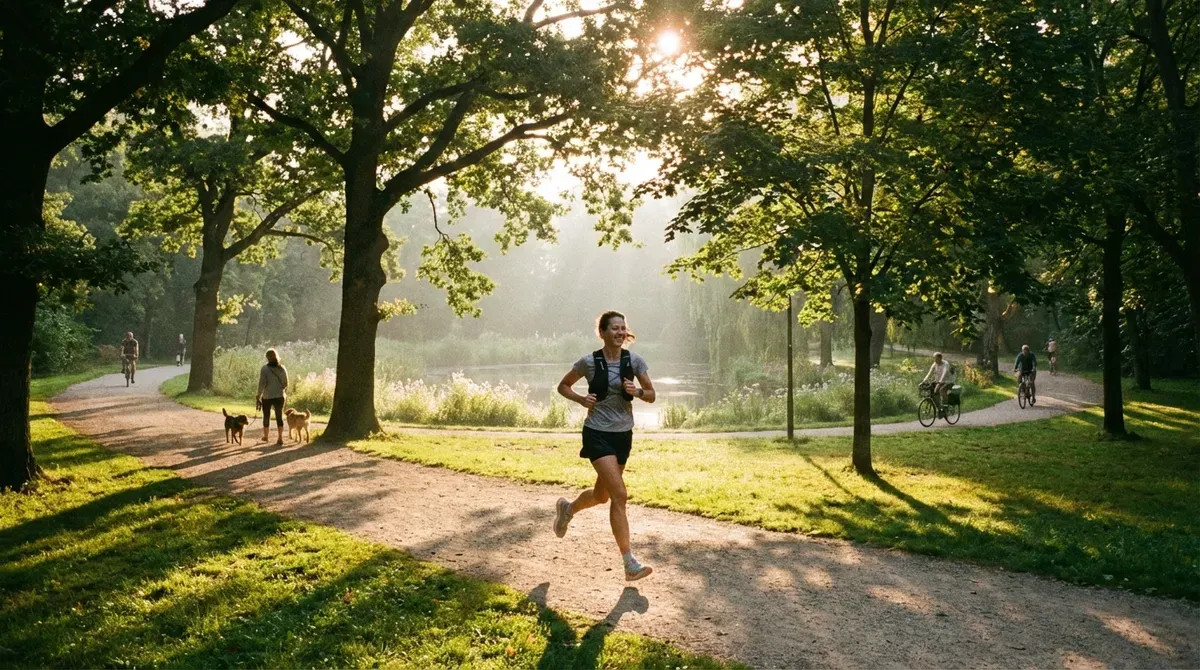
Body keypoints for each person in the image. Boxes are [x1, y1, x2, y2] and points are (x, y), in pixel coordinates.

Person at [552, 311, 656, 582]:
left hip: (623, 435)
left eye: (623, 328)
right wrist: (580, 399)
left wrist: (638, 392)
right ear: (603, 332)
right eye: (614, 329)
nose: (620, 333)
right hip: (597, 433)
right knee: (620, 495)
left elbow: (652, 395)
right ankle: (629, 563)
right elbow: (563, 386)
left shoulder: (634, 361)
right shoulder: (589, 362)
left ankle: (568, 509)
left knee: (603, 495)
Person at [255, 348, 289, 446]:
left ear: (267, 358)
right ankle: (280, 438)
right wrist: (281, 388)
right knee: (279, 417)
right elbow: (286, 383)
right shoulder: (282, 368)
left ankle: (266, 436)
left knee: (266, 416)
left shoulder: (264, 369)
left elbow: (262, 383)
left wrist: (258, 395)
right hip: (279, 396)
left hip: (267, 396)